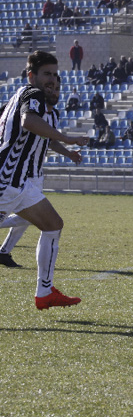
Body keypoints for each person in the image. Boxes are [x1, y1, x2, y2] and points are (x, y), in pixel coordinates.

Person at [0, 54, 88, 309]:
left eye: (55, 75)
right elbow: (29, 122)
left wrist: (67, 150)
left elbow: (37, 133)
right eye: (46, 74)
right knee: (51, 225)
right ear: (32, 76)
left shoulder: (21, 98)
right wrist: (69, 139)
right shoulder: (32, 94)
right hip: (7, 181)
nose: (51, 80)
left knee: (53, 224)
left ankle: (45, 293)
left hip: (19, 183)